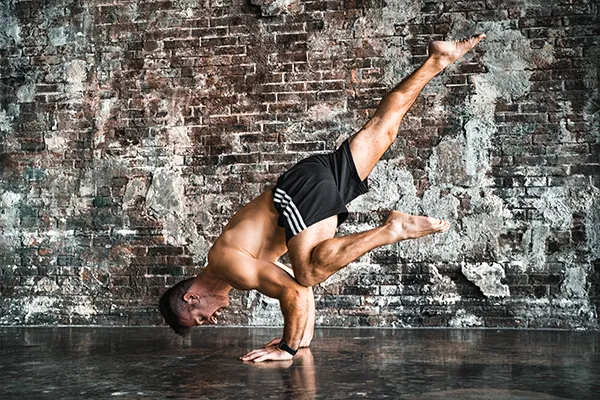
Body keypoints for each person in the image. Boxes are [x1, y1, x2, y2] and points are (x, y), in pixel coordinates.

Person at [159, 34, 486, 362]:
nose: (212, 320)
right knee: (383, 127)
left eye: (201, 317)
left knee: (310, 269)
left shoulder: (231, 269)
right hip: (311, 180)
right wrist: (302, 338)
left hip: (296, 194)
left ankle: (392, 230)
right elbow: (300, 291)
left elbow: (295, 289)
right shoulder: (232, 261)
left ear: (191, 297)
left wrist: (287, 348)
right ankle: (437, 61)